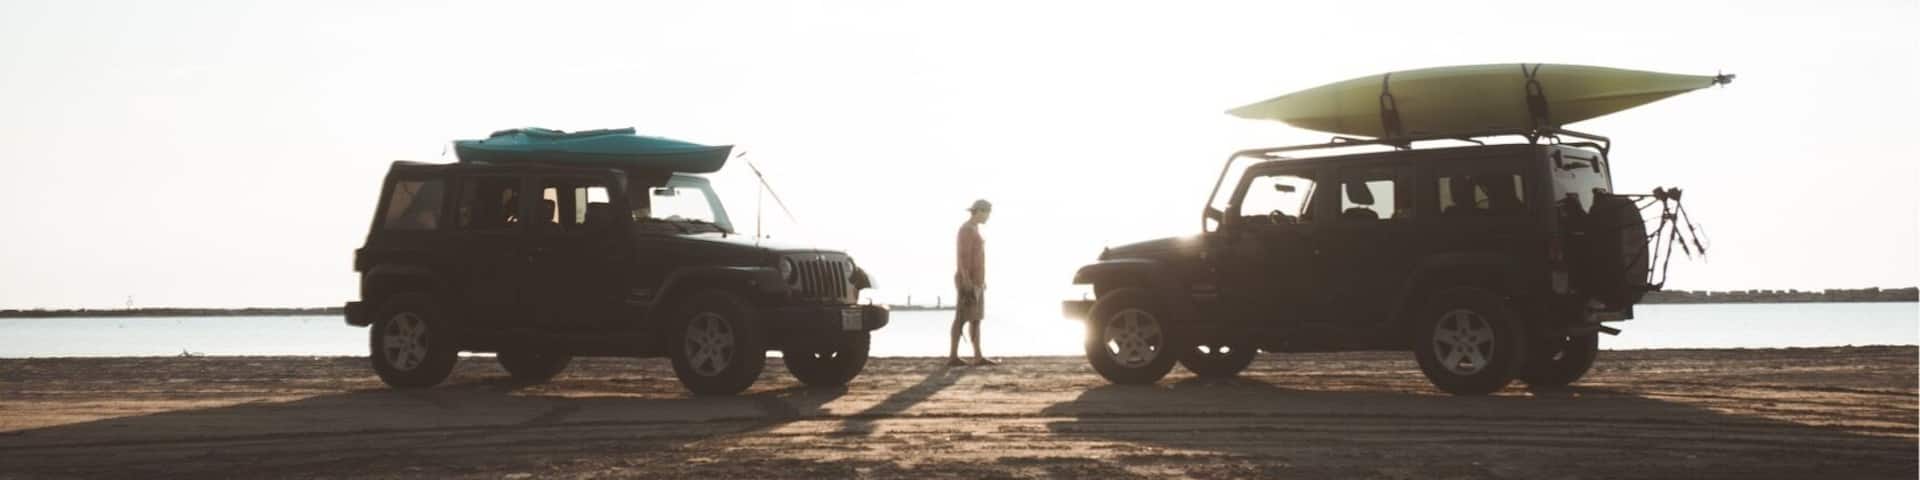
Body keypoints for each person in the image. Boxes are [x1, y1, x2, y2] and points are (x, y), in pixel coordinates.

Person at [949, 199, 997, 366]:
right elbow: (963, 257)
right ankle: (953, 357)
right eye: (987, 213)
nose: (988, 217)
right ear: (979, 211)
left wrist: (981, 281)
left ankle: (978, 356)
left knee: (976, 318)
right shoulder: (966, 229)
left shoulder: (975, 229)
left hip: (977, 281)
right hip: (968, 281)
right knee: (961, 318)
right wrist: (966, 280)